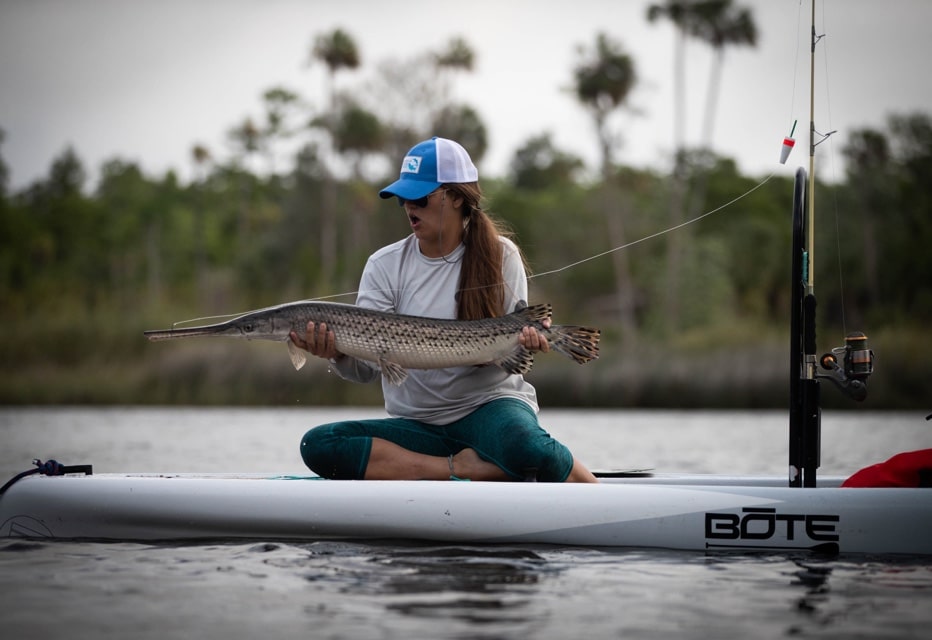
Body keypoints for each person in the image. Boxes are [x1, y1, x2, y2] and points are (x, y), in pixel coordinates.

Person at [290, 136, 597, 483]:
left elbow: (515, 348)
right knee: (320, 444)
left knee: (527, 446)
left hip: (490, 410)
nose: (409, 208)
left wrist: (533, 339)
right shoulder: (383, 265)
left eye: (419, 198)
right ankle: (465, 468)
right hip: (417, 426)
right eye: (403, 199)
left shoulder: (502, 254)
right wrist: (337, 354)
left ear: (453, 197)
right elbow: (366, 371)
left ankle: (590, 488)